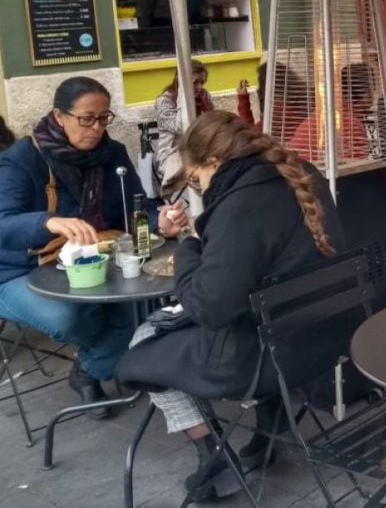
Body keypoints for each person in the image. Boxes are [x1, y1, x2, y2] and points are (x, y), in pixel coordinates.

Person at [116, 110, 344, 501]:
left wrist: (188, 242)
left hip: (263, 358)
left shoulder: (242, 205)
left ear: (214, 162)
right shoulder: (300, 173)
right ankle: (272, 422)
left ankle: (214, 454)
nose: (198, 189)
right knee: (210, 321)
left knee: (143, 340)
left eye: (194, 179)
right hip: (321, 340)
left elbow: (209, 308)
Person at [0, 77, 188, 415]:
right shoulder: (22, 159)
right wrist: (47, 221)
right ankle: (107, 360)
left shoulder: (111, 154)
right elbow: (3, 223)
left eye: (104, 118)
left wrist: (158, 220)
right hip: (21, 270)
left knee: (141, 306)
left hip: (95, 261)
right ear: (59, 116)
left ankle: (88, 369)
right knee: (70, 315)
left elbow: (136, 205)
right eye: (86, 118)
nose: (97, 128)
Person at [154, 60, 215, 192]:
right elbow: (182, 128)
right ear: (181, 81)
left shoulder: (203, 95)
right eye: (195, 83)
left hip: (200, 151)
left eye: (202, 82)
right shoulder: (164, 101)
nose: (200, 87)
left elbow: (213, 121)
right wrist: (184, 94)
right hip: (174, 155)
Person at [237, 62, 312, 144]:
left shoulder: (273, 113)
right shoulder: (307, 100)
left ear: (263, 89)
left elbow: (250, 135)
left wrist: (243, 99)